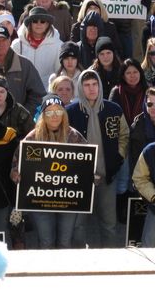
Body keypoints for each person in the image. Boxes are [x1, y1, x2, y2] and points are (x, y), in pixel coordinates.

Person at [11, 94, 86, 248]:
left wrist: (91, 177)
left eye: (58, 112)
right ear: (43, 115)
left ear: (64, 114)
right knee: (46, 242)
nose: (54, 116)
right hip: (41, 200)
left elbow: (88, 163)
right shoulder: (32, 138)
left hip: (68, 199)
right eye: (50, 112)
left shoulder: (74, 136)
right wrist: (15, 174)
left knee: (65, 242)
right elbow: (15, 166)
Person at [66, 68, 128, 248]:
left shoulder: (113, 109)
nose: (91, 89)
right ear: (80, 87)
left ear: (100, 86)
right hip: (78, 180)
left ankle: (109, 264)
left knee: (109, 224)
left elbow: (124, 135)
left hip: (107, 175)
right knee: (78, 226)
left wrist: (118, 156)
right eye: (86, 85)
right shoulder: (70, 112)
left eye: (94, 84)